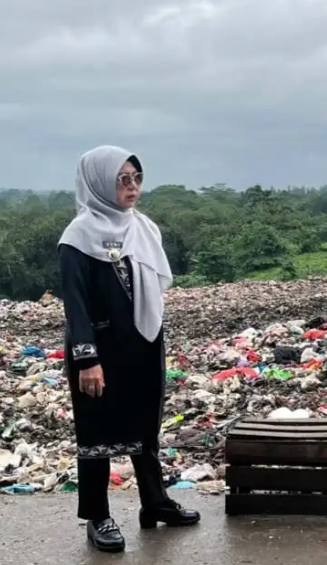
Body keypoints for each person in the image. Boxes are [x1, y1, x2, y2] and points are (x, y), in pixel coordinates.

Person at [58, 145, 200, 553]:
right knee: (97, 434)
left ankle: (154, 503)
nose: (132, 187)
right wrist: (87, 360)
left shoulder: (143, 228)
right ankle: (98, 516)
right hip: (99, 353)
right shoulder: (78, 238)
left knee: (145, 429)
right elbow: (76, 305)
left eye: (136, 178)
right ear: (100, 182)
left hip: (142, 345)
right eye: (122, 179)